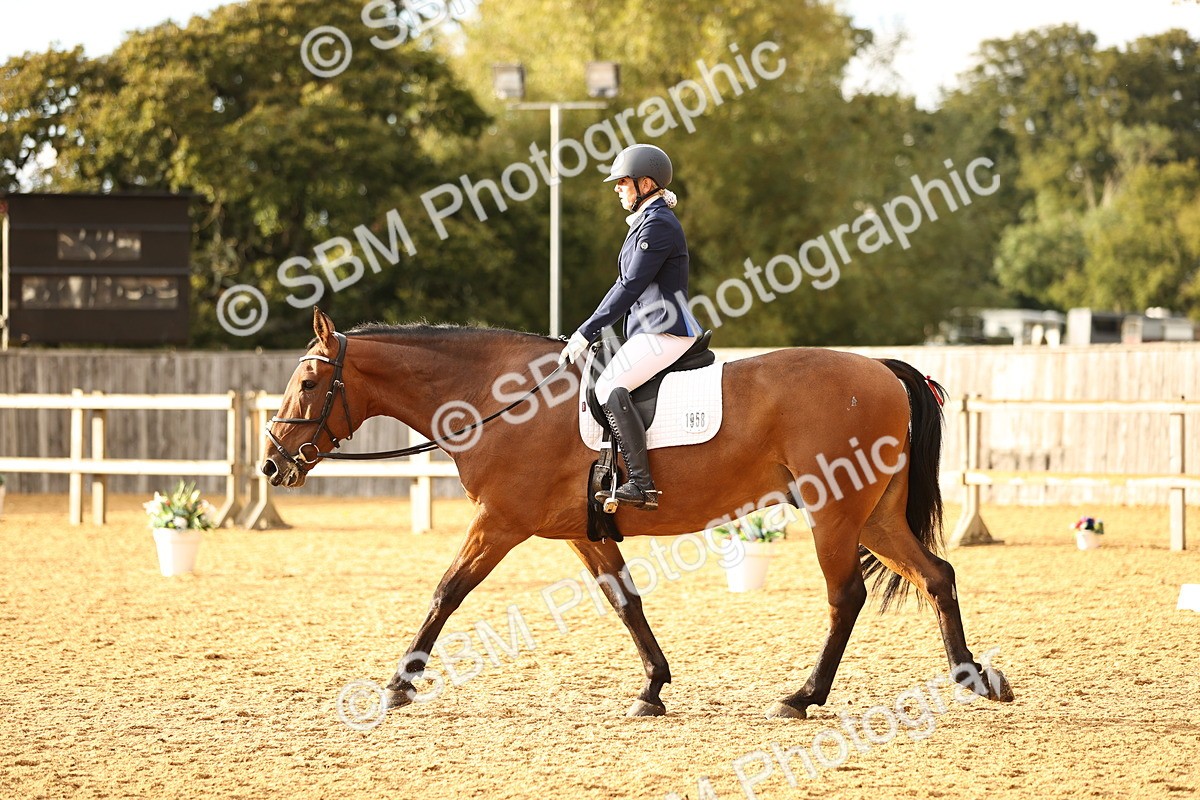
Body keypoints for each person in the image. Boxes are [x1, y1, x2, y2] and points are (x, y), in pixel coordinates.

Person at [559, 143, 703, 511]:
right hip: (649, 329)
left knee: (608, 385)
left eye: (622, 182)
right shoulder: (647, 221)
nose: (616, 188)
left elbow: (629, 285)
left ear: (645, 183)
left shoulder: (657, 225)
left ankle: (642, 484)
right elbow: (624, 283)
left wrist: (586, 331)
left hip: (665, 330)